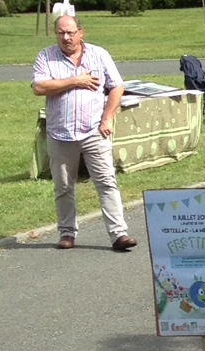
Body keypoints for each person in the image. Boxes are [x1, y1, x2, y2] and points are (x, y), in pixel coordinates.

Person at [31, 13, 138, 251]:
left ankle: (119, 234)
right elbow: (39, 86)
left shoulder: (99, 55)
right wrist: (76, 81)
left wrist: (107, 118)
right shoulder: (46, 57)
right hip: (61, 134)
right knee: (63, 186)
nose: (66, 37)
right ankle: (67, 233)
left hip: (94, 131)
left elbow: (117, 87)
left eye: (70, 32)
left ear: (81, 32)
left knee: (106, 182)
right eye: (60, 33)